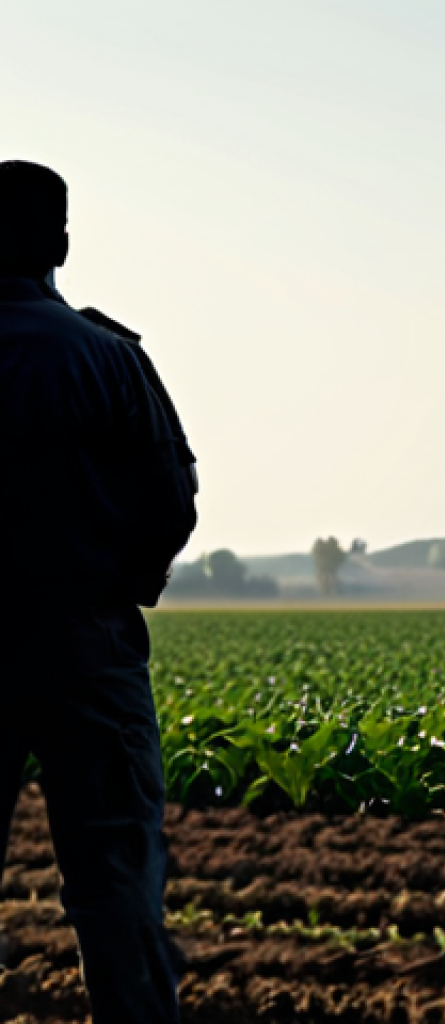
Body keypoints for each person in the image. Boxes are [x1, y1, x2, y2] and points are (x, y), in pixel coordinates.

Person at [0, 161, 197, 1023]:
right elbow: (172, 506)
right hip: (85, 647)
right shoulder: (107, 358)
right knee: (116, 886)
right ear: (62, 245)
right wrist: (117, 590)